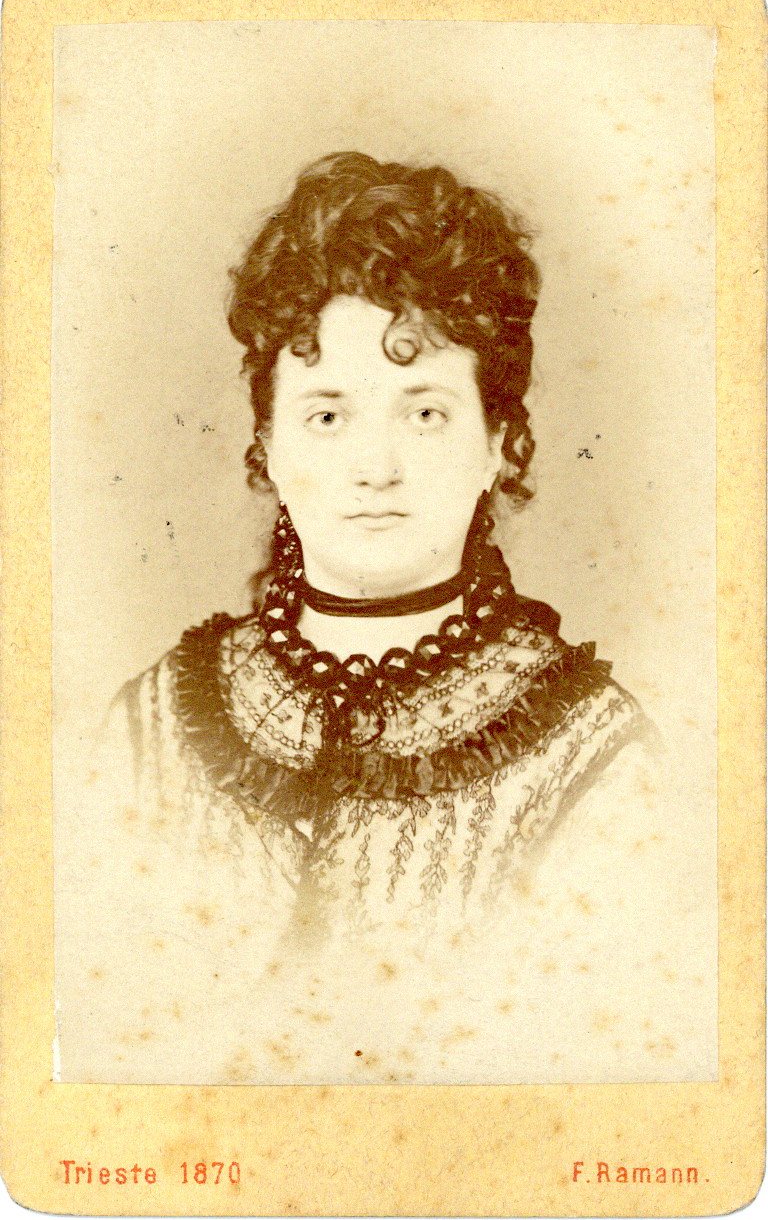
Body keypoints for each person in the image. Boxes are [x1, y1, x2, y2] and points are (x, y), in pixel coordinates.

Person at [60, 153, 686, 1085]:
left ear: (499, 444)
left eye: (425, 414)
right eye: (327, 417)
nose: (376, 467)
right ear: (268, 448)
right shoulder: (149, 729)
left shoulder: (595, 757)